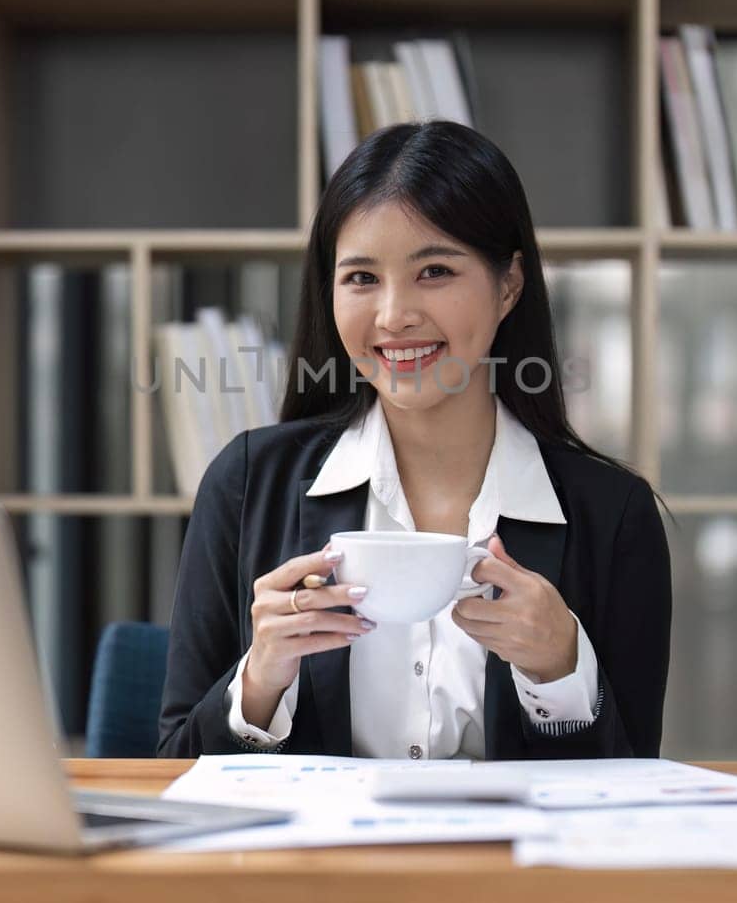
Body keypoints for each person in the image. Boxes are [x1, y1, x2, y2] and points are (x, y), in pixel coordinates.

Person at [157, 121, 670, 760]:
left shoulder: (614, 515)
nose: (394, 315)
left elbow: (635, 798)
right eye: (362, 278)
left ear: (509, 284)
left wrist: (563, 671)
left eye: (434, 270)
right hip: (315, 861)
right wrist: (260, 678)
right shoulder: (245, 486)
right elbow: (174, 768)